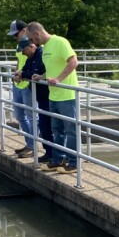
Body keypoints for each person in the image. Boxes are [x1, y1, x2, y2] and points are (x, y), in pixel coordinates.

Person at [25, 22, 78, 173]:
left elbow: (73, 62)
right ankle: (58, 159)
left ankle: (73, 162)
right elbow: (52, 68)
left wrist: (59, 79)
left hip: (66, 95)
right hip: (53, 95)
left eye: (32, 39)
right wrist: (41, 76)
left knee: (70, 130)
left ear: (37, 34)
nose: (32, 43)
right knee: (57, 129)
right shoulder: (45, 47)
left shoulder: (60, 42)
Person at [18, 36, 54, 162]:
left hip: (47, 95)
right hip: (40, 95)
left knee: (50, 125)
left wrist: (23, 75)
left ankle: (55, 154)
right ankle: (49, 153)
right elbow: (26, 70)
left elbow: (37, 72)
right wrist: (21, 73)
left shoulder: (41, 54)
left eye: (24, 50)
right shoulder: (31, 57)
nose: (23, 53)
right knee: (44, 125)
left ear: (32, 46)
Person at [7, 20, 35, 158]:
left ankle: (33, 146)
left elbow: (33, 62)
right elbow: (19, 60)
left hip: (27, 84)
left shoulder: (32, 44)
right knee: (19, 115)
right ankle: (29, 143)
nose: (14, 37)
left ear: (24, 30)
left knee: (31, 116)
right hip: (17, 83)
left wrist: (23, 74)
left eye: (16, 34)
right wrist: (16, 72)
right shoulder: (19, 45)